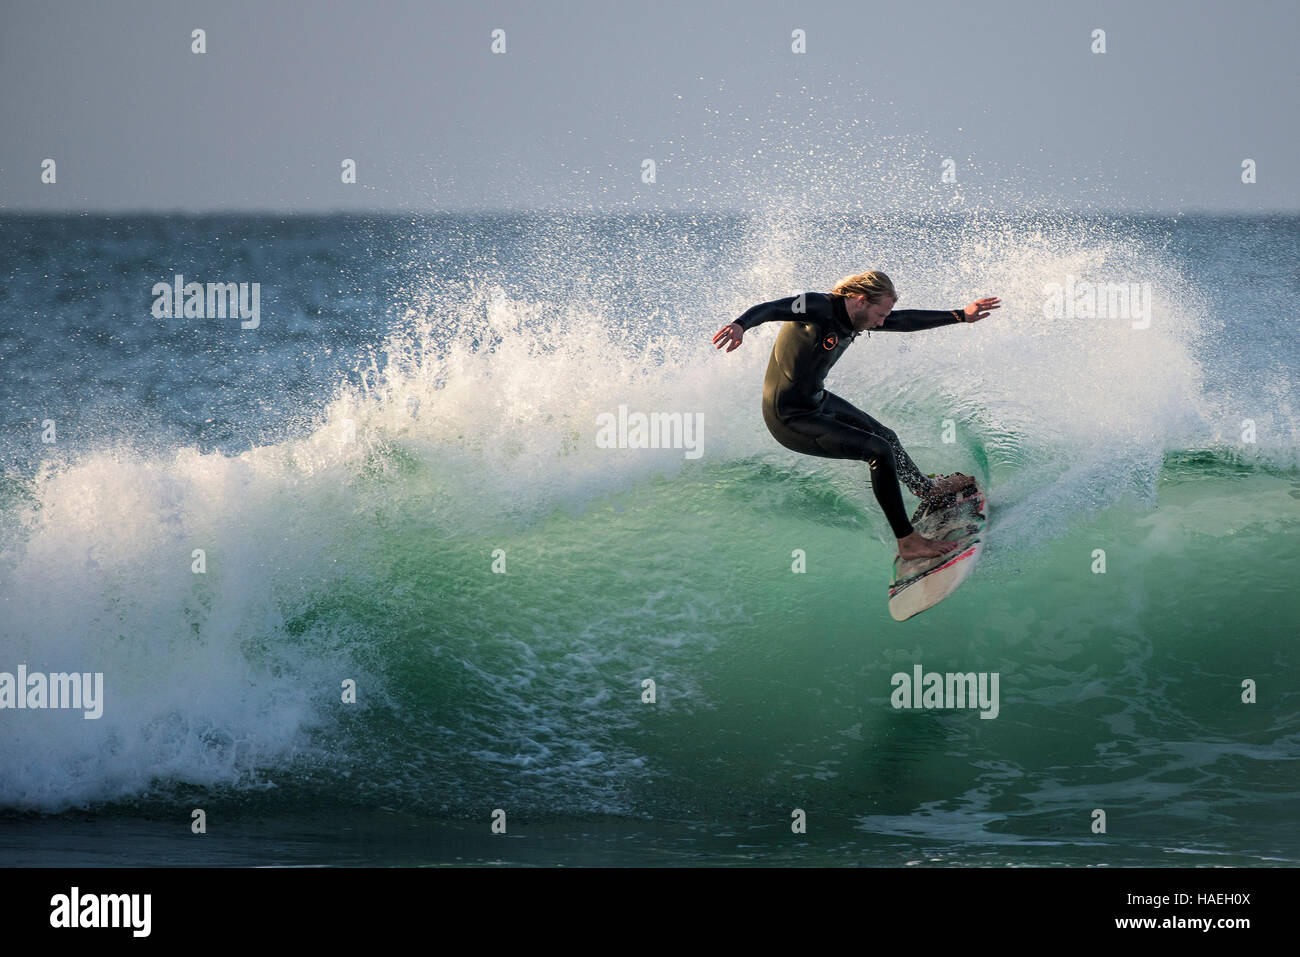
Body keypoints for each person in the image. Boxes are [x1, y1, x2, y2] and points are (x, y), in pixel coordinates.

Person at [712, 270, 1000, 560]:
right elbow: (772, 308)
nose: (883, 321)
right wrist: (740, 325)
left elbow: (905, 321)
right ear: (861, 300)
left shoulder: (858, 316)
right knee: (879, 451)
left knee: (886, 436)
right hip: (788, 417)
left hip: (816, 401)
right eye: (880, 314)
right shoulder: (817, 306)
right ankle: (908, 542)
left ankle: (926, 489)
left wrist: (962, 315)